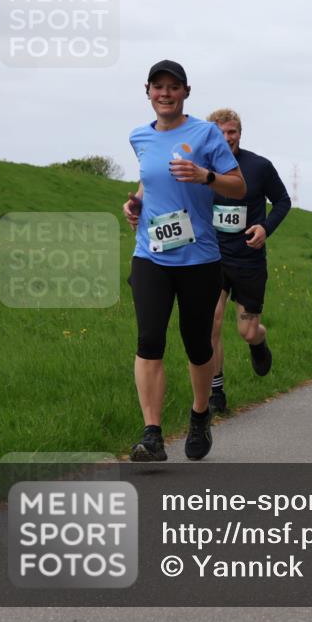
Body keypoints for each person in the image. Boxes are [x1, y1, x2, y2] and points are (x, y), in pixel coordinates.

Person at [122, 60, 245, 461]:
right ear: (148, 91)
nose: (165, 94)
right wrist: (136, 202)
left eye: (173, 87)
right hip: (151, 254)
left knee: (196, 344)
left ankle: (199, 414)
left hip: (198, 258)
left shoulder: (206, 133)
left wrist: (205, 176)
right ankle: (152, 434)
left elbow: (238, 185)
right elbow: (148, 177)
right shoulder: (139, 136)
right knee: (149, 340)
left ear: (185, 92)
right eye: (158, 87)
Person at [206, 108, 292, 414]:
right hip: (212, 257)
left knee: (247, 330)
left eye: (232, 132)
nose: (227, 138)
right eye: (221, 132)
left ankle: (259, 341)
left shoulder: (258, 166)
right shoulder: (202, 167)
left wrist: (265, 228)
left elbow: (283, 201)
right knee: (210, 322)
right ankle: (216, 391)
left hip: (248, 260)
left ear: (240, 134)